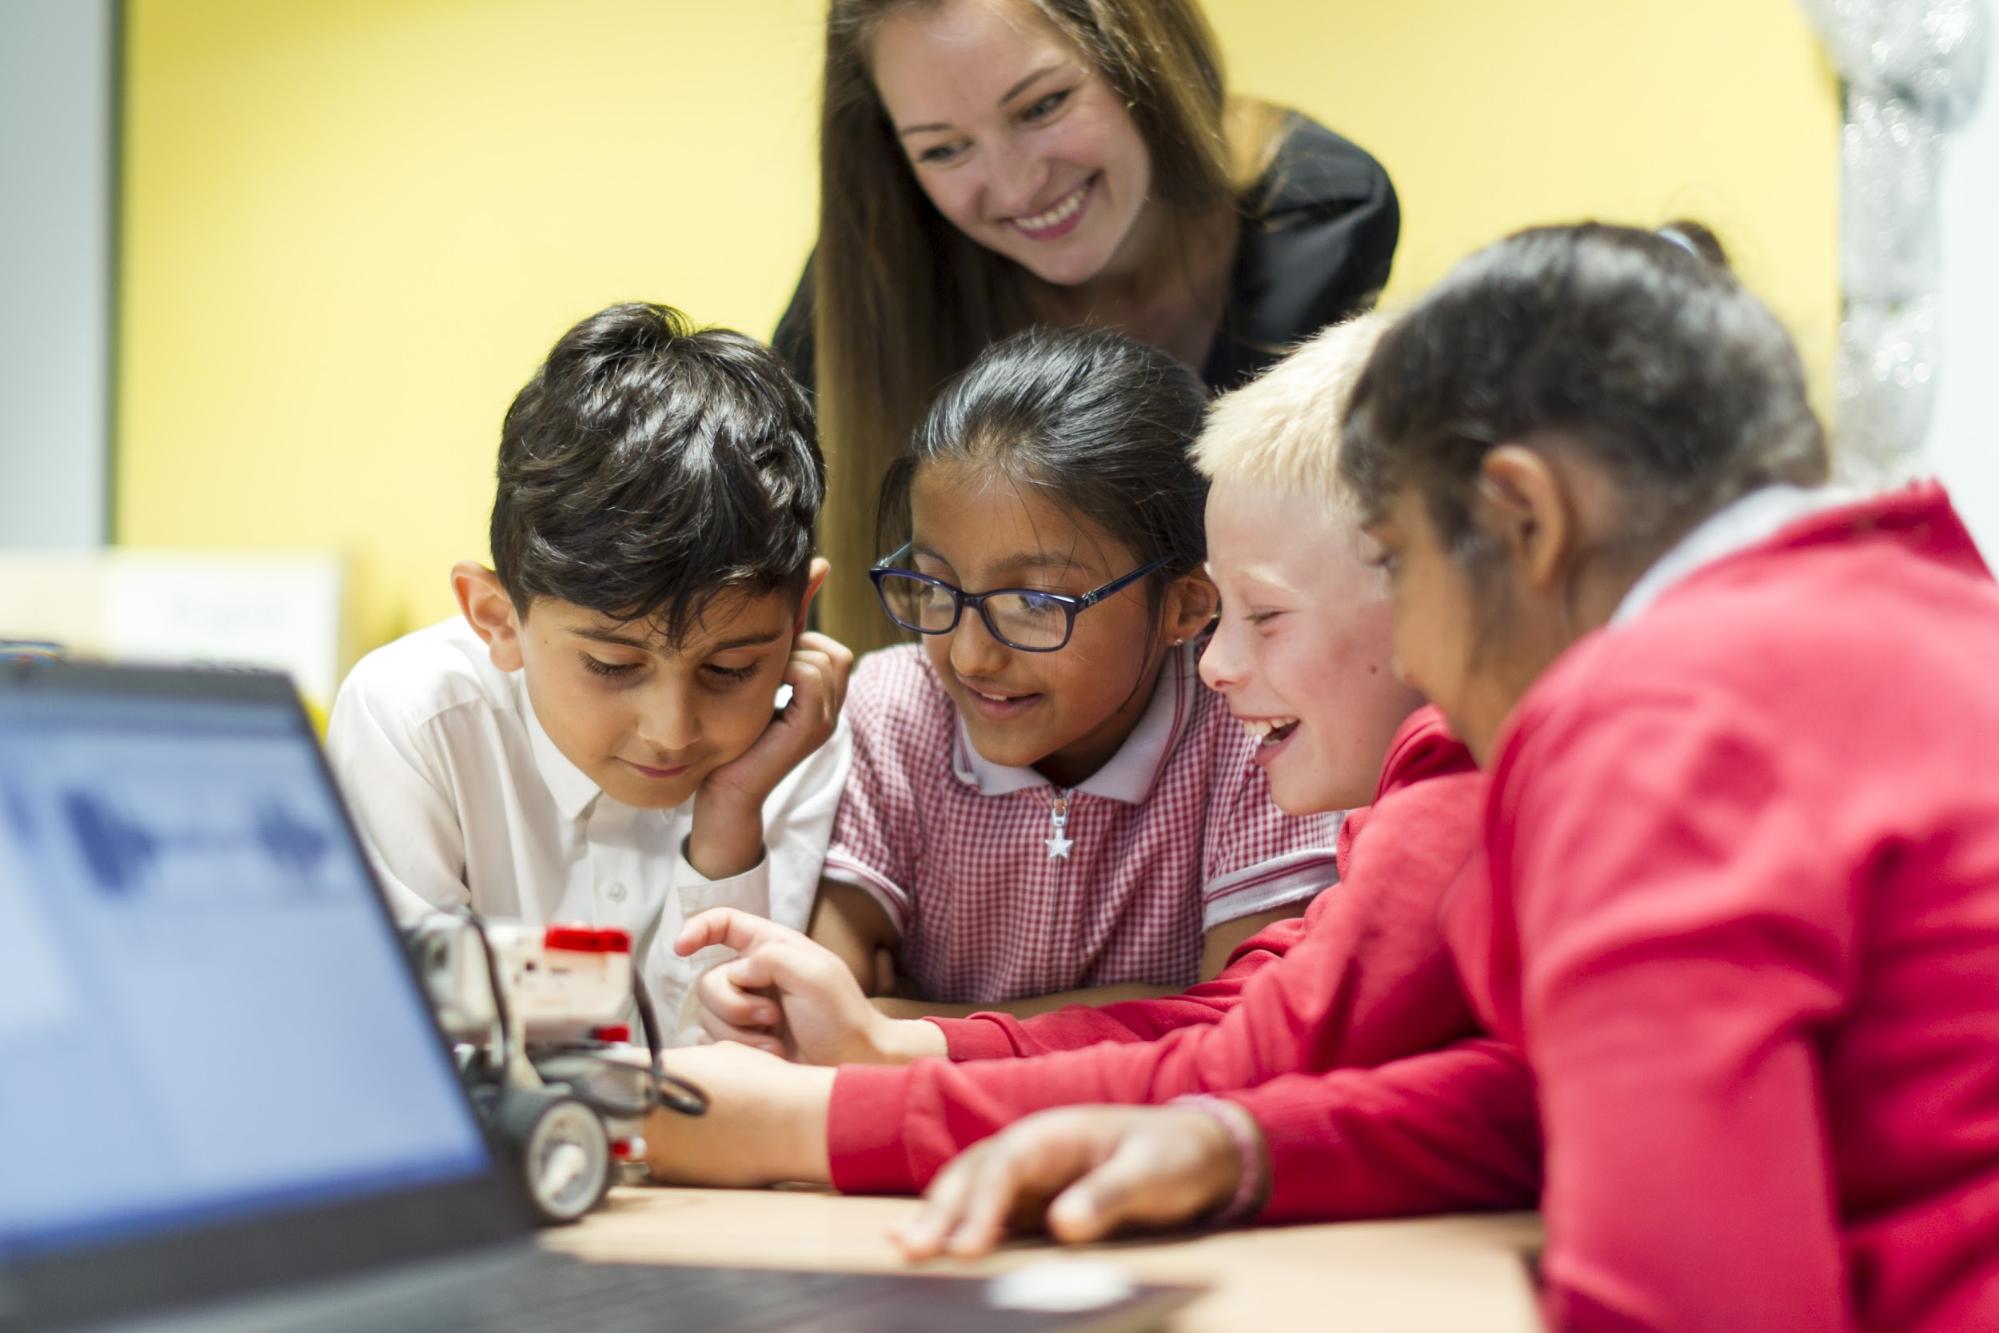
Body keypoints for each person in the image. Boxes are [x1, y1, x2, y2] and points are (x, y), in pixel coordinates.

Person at [636, 319, 1541, 1251]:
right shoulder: (1435, 776)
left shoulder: (1457, 766)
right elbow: (1272, 1018)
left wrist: (818, 1121)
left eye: (1262, 615)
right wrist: (896, 1049)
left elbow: (1259, 1051)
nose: (1219, 662)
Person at [1339, 221, 1999, 1330]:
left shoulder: (1651, 717)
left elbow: (1685, 1308)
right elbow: (1565, 1095)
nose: (1406, 655)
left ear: (1523, 516)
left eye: (1396, 560)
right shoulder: (1946, 618)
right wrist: (1244, 1145)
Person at [778, 0, 1399, 651]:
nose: (1017, 188)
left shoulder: (1320, 215)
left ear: (1139, 56)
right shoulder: (867, 285)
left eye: (1040, 107)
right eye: (943, 149)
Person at [326, 303, 853, 1032]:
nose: (671, 731)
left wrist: (731, 814)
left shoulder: (798, 738)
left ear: (799, 619)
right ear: (496, 618)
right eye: (610, 665)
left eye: (729, 668)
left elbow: (734, 1062)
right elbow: (411, 1035)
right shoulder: (413, 717)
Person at [797, 325, 1343, 1019]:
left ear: (1184, 604)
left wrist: (911, 1021)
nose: (969, 656)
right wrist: (1154, 1009)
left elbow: (1241, 1026)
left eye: (1032, 602)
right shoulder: (891, 710)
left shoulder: (1252, 733)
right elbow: (820, 1016)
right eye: (935, 586)